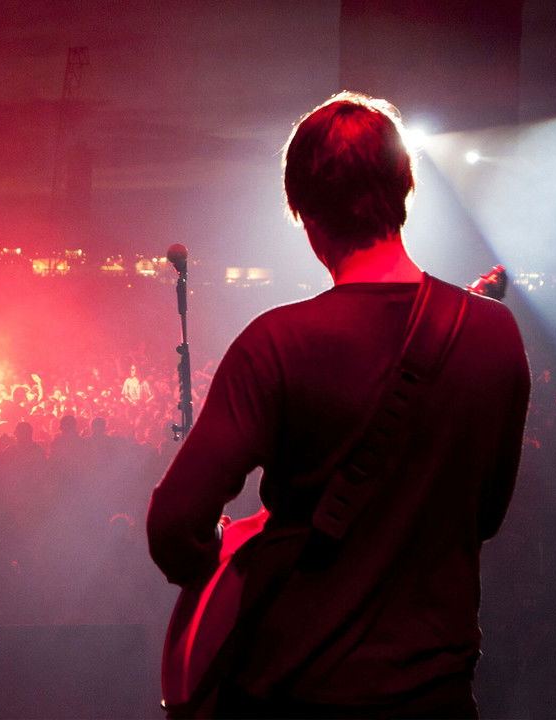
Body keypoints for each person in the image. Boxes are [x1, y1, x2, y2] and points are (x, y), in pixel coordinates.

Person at [147, 92, 530, 718]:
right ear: (405, 188)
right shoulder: (493, 333)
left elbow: (172, 528)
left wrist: (231, 548)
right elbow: (485, 515)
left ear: (304, 214)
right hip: (434, 693)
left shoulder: (275, 342)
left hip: (295, 690)